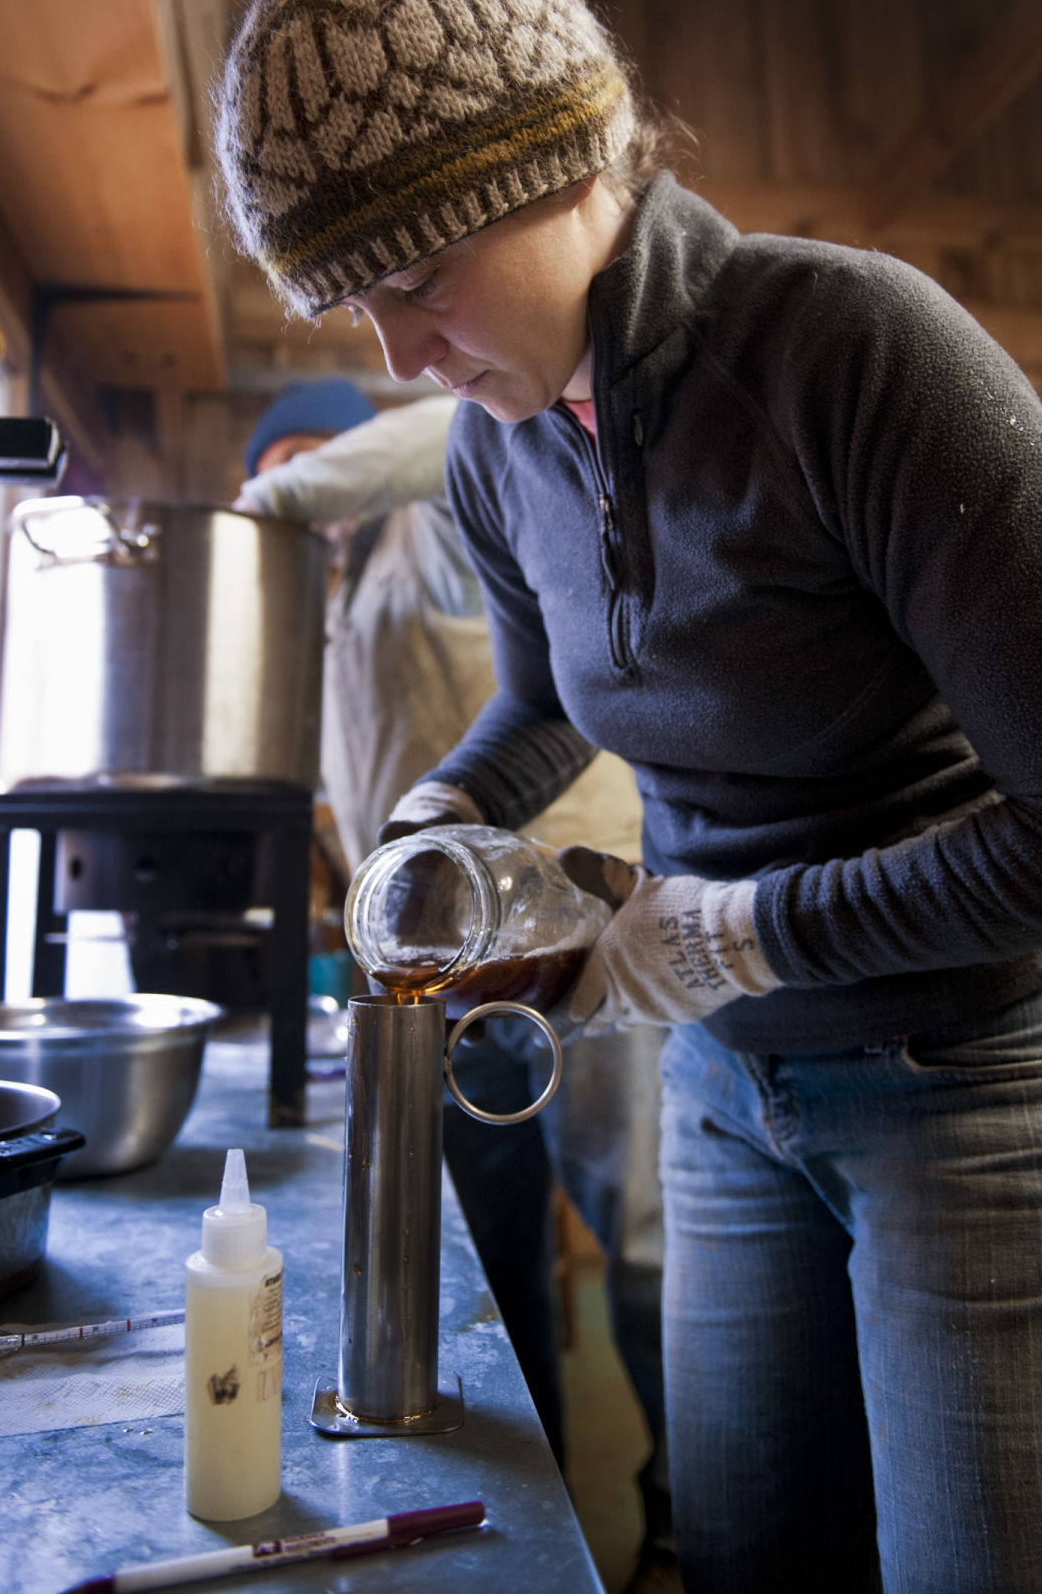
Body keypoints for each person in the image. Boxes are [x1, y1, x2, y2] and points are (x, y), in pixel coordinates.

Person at [213, 0, 1042, 1592]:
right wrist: (440, 812)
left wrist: (730, 931)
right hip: (724, 1090)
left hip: (966, 1078)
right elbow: (548, 699)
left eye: (413, 278)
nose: (393, 354)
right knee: (751, 1556)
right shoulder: (494, 449)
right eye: (352, 308)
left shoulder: (856, 355)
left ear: (557, 176)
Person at [235, 377, 676, 1592]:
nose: (317, 497)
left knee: (640, 1234)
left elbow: (444, 430)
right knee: (483, 1261)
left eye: (324, 464)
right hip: (440, 970)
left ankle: (683, 1521)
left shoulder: (436, 511)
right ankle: (531, 1502)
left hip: (581, 936)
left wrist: (268, 495)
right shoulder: (321, 604)